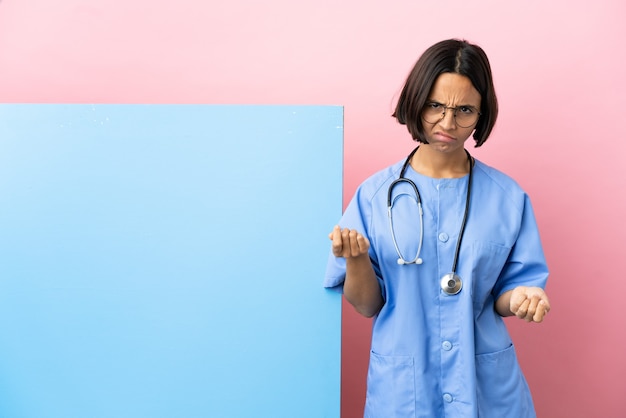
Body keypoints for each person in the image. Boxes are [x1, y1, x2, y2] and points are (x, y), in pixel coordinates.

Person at [324, 39, 551, 417]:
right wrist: (358, 259)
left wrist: (524, 298)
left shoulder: (507, 198)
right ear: (416, 102)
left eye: (464, 110)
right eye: (435, 106)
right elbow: (367, 305)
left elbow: (507, 293)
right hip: (405, 390)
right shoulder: (375, 195)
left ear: (482, 113)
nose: (448, 124)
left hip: (487, 390)